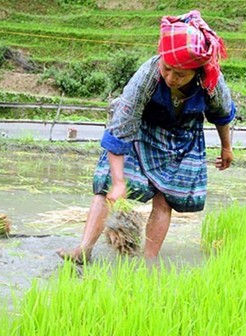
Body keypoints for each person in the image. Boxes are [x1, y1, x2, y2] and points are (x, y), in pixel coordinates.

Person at [57, 10, 236, 263]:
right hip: (141, 129)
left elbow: (222, 114)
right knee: (106, 185)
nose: (171, 77)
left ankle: (148, 260)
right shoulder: (148, 75)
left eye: (180, 74)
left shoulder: (211, 82)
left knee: (166, 198)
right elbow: (120, 127)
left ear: (197, 71)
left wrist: (226, 148)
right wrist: (119, 182)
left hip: (183, 139)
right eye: (167, 68)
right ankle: (84, 250)